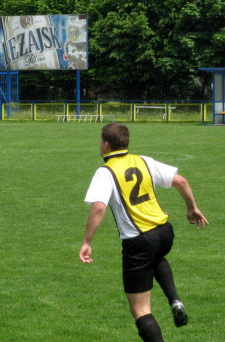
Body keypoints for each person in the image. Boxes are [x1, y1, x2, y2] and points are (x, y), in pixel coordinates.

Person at [79, 123, 209, 342]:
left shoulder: (105, 172)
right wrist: (192, 208)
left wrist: (86, 241)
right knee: (156, 256)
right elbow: (181, 181)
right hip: (164, 232)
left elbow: (99, 207)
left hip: (138, 241)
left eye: (100, 140)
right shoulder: (143, 160)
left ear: (107, 144)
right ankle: (175, 300)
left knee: (140, 310)